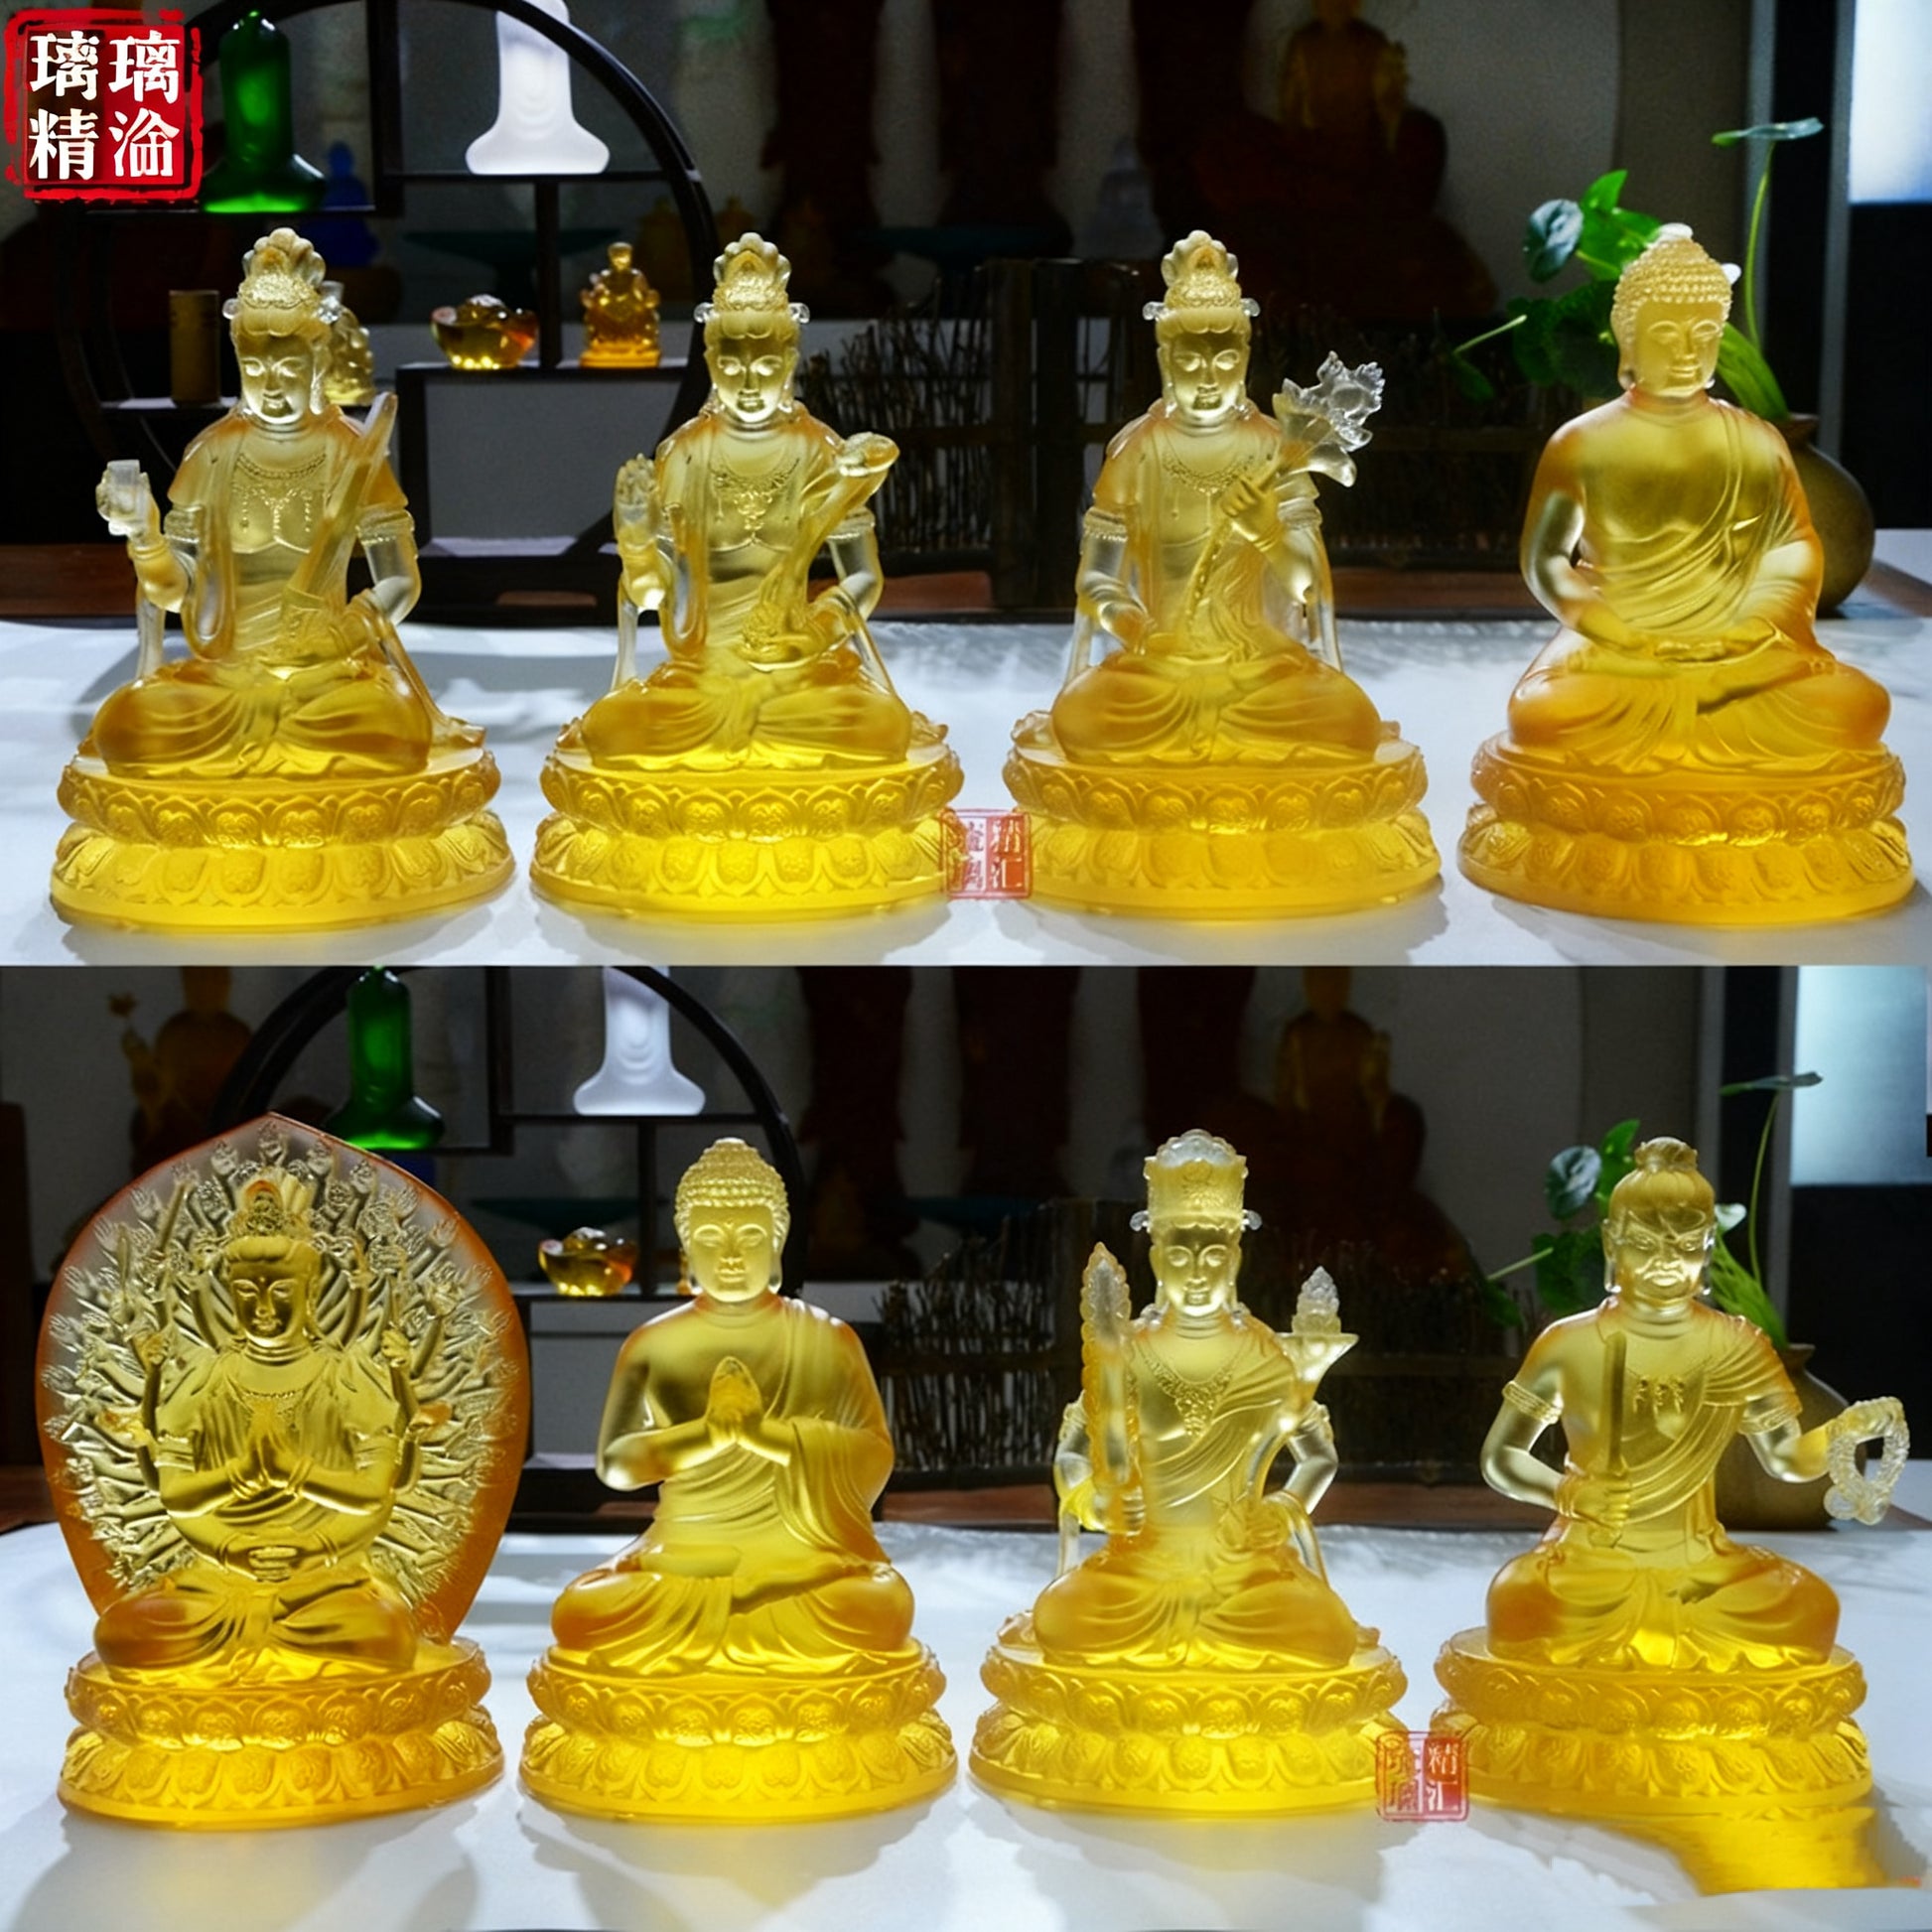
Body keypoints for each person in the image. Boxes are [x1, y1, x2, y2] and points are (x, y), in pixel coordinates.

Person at [88, 227, 474, 780]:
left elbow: (400, 580)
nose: (270, 387)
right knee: (128, 726)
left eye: (289, 371)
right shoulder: (213, 453)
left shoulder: (348, 451)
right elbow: (176, 594)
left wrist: (347, 631)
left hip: (325, 680)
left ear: (317, 363)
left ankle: (276, 748)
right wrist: (144, 537)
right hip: (225, 678)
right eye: (255, 371)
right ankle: (271, 748)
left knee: (395, 728)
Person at [1507, 227, 1889, 773]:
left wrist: (1751, 627)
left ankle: (1705, 714)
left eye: (1704, 333)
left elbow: (1792, 549)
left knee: (1858, 707)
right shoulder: (1581, 443)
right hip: (1621, 650)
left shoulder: (1757, 441)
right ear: (1628, 340)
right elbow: (1545, 561)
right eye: (1665, 334)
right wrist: (1620, 633)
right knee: (1543, 716)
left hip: (1739, 649)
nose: (1687, 351)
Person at [1475, 1138, 1850, 1670]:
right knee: (1519, 1599)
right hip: (1593, 1561)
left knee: (1808, 1606)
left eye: (1684, 1244)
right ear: (1612, 1243)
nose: (1665, 1260)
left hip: (1698, 1565)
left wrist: (1843, 1432)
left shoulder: (1736, 1345)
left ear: (1708, 1246)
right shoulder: (1569, 1343)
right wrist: (1570, 1493)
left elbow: (1786, 1461)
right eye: (1644, 1243)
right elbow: (1500, 1457)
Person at [547, 1138, 918, 1674]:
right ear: (686, 1247)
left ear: (778, 1241)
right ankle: (746, 1612)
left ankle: (746, 1610)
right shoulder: (651, 1344)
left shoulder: (828, 1340)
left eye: (750, 1238)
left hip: (801, 1562)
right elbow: (617, 1465)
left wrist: (766, 1436)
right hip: (684, 1557)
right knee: (581, 1614)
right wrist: (710, 1434)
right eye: (709, 1239)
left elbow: (874, 1454)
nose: (730, 1257)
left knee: (882, 1608)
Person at [1023, 231, 1388, 771]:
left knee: (1349, 720)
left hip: (1258, 670)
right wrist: (1132, 624)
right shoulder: (1138, 449)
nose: (1210, 377)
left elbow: (1308, 586)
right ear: (1165, 360)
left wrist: (1267, 532)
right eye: (1191, 362)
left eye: (1225, 359)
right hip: (1162, 669)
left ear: (1245, 358)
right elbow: (1096, 579)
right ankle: (1216, 743)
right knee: (1082, 718)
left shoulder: (1273, 447)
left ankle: (1214, 742)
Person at [567, 234, 922, 772]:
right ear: (711, 361)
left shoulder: (819, 450)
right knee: (610, 730)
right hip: (701, 682)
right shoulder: (686, 454)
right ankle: (743, 743)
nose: (750, 383)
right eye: (733, 368)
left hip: (793, 681)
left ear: (790, 360)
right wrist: (636, 544)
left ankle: (750, 740)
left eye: (766, 365)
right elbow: (653, 594)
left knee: (884, 728)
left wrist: (815, 634)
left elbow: (864, 577)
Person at [1032, 1129, 1364, 1670]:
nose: (1196, 1272)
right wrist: (1090, 1499)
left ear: (1235, 1257)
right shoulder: (1127, 1351)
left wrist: (1285, 1509)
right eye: (1179, 1254)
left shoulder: (1266, 1354)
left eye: (1213, 1255)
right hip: (1142, 1571)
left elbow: (1318, 1455)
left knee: (1326, 1632)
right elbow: (1072, 1450)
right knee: (1061, 1618)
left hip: (1241, 1574)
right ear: (1155, 1256)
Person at [94, 1176, 429, 1675]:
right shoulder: (204, 1380)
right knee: (122, 1634)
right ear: (230, 1295)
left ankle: (267, 1643)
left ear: (311, 1292)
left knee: (387, 1635)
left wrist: (305, 1515)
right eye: (247, 1292)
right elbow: (176, 1495)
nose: (264, 1309)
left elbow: (374, 1494)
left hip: (324, 1581)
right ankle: (260, 1641)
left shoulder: (345, 1378)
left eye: (281, 1290)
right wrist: (234, 1535)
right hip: (219, 1580)